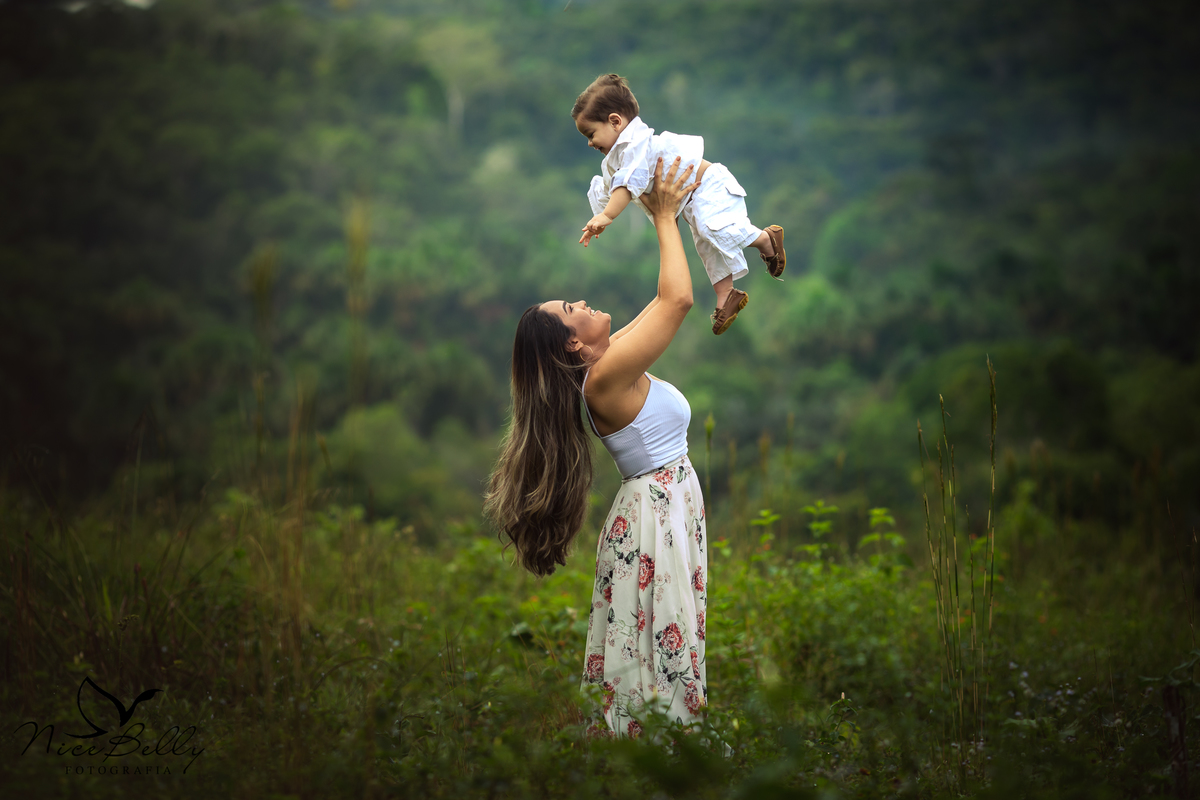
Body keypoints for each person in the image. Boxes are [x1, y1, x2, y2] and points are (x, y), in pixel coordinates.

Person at [485, 156, 710, 738]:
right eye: (570, 310)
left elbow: (665, 301)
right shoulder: (604, 382)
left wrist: (676, 211)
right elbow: (679, 302)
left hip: (663, 511)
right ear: (572, 348)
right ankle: (663, 762)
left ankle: (658, 759)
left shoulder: (606, 366)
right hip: (653, 520)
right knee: (662, 660)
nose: (581, 301)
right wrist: (662, 215)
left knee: (665, 653)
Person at [573, 73, 786, 336]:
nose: (589, 143)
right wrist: (598, 219)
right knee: (706, 246)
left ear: (615, 122)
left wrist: (607, 215)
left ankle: (766, 239)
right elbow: (609, 187)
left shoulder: (636, 144)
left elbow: (626, 185)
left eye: (591, 133)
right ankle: (727, 295)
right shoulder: (615, 159)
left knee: (712, 230)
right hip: (691, 202)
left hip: (709, 185)